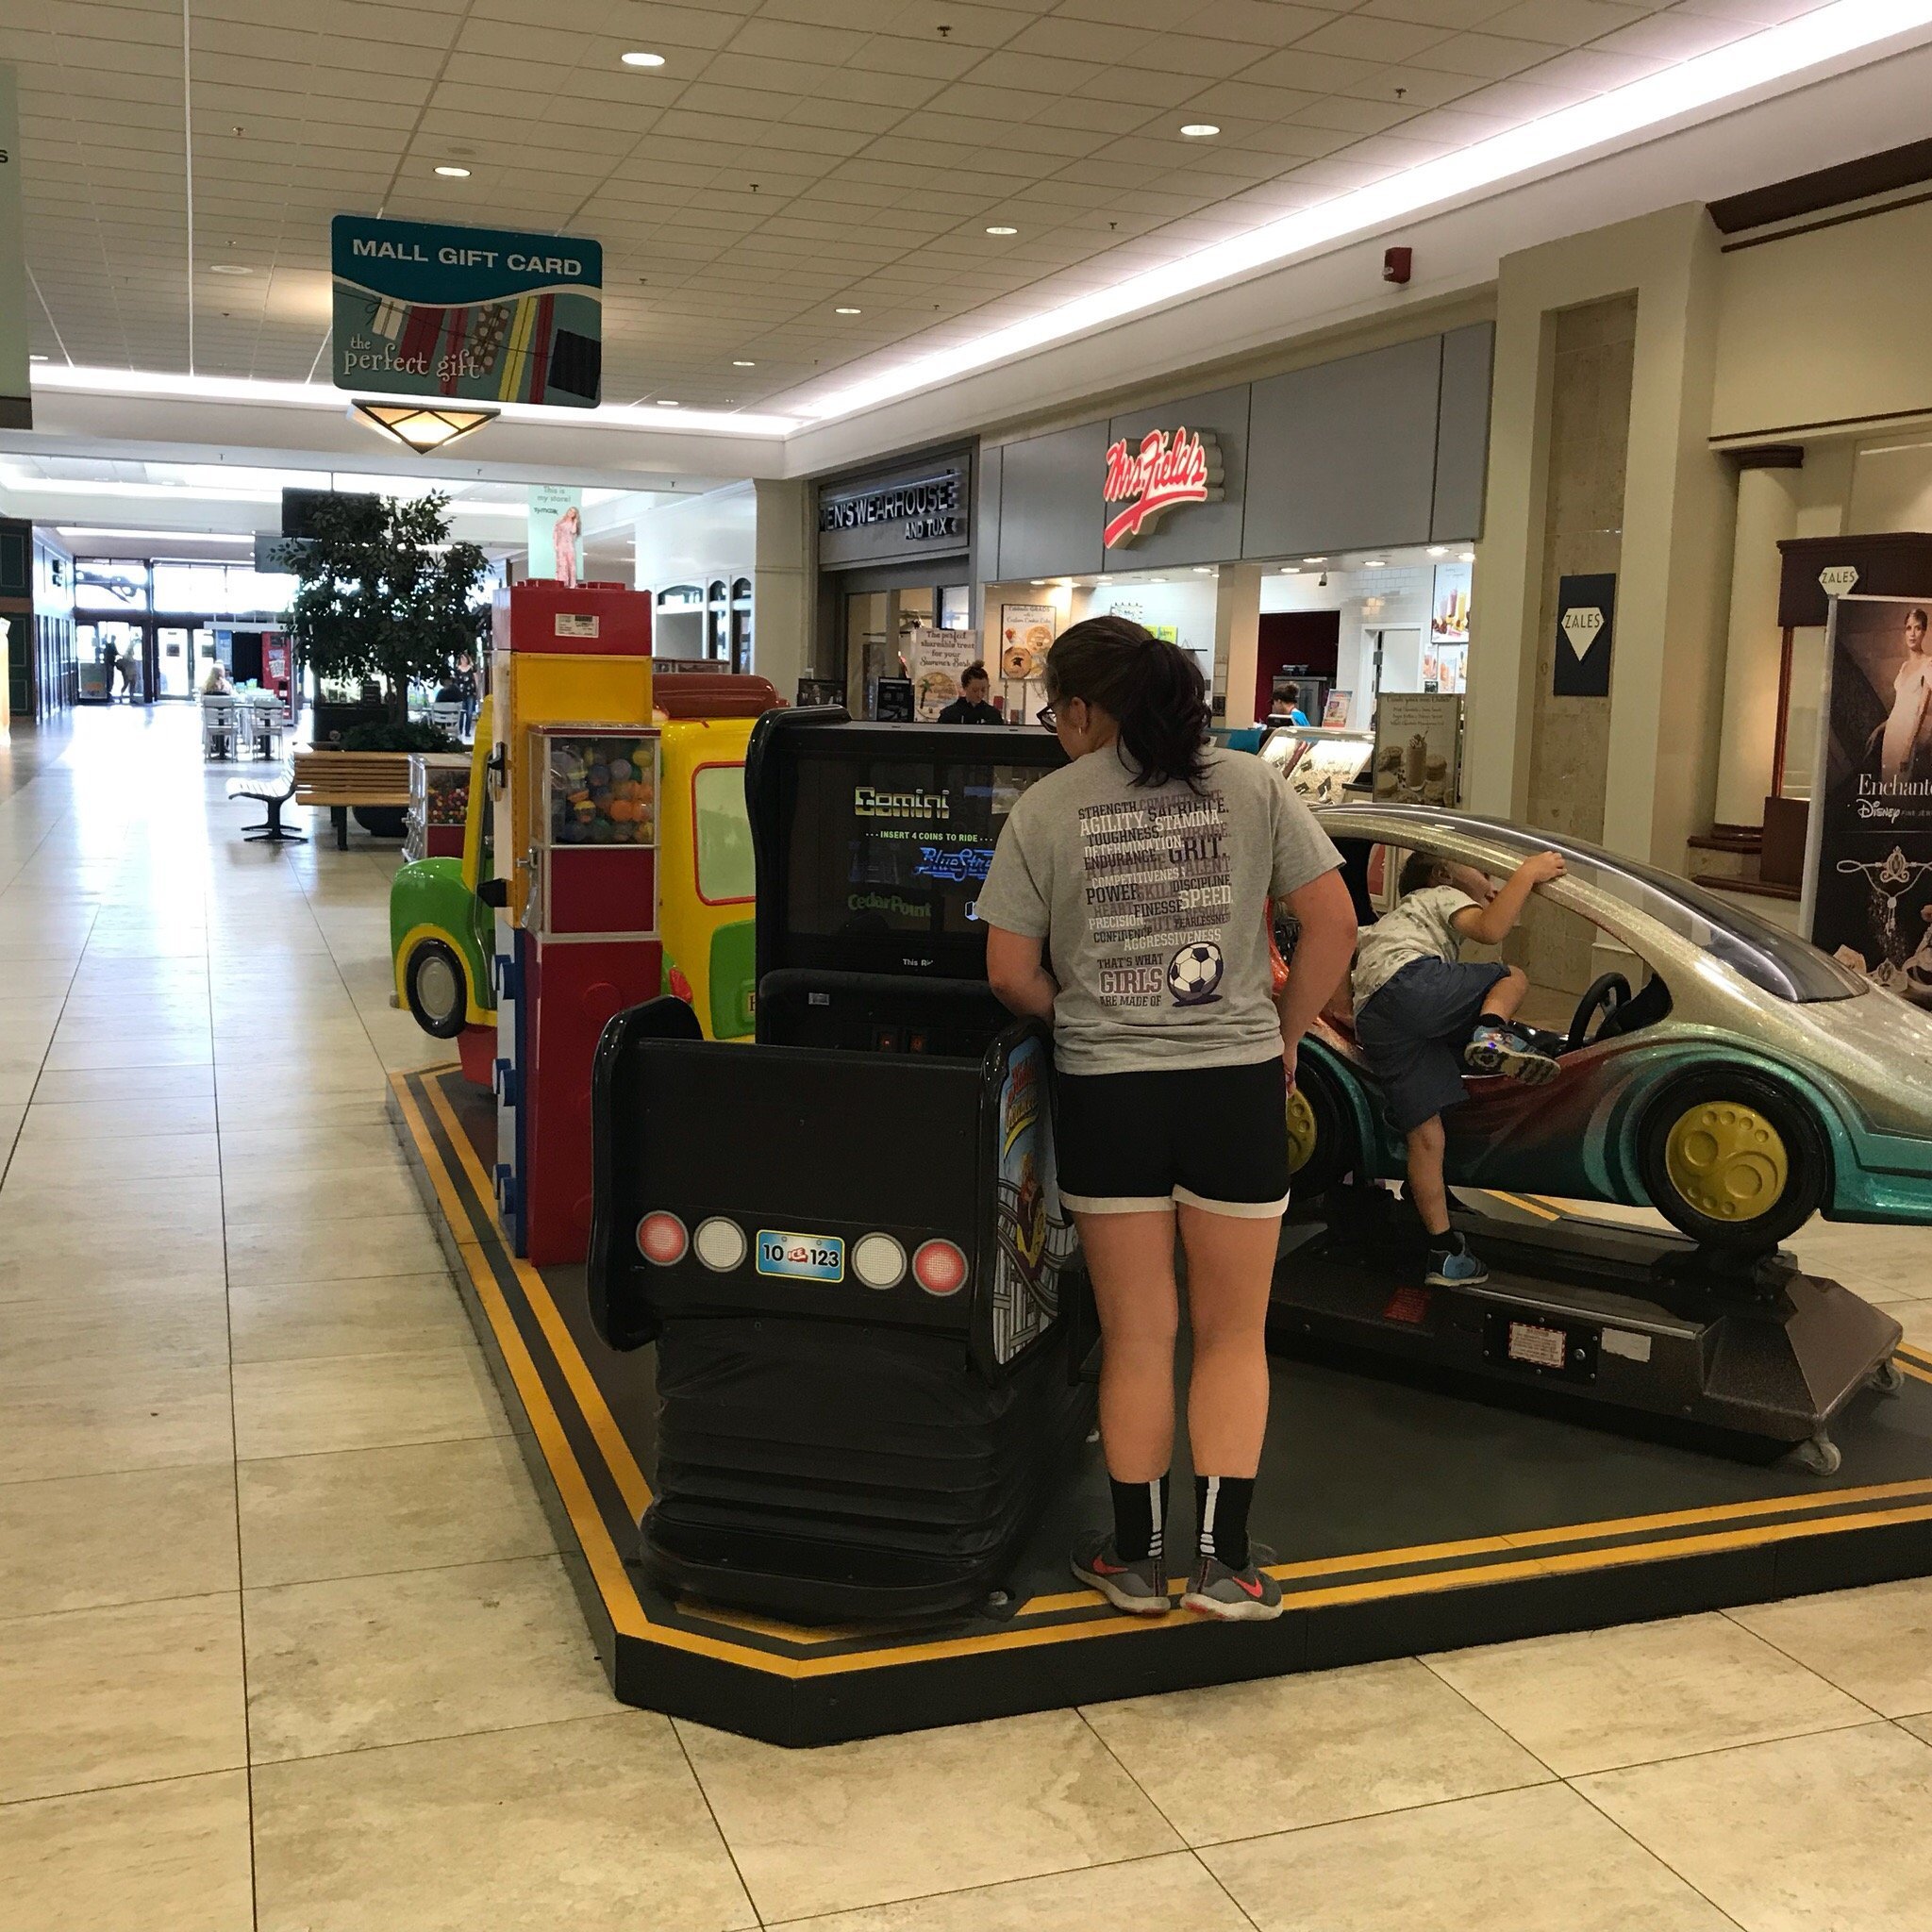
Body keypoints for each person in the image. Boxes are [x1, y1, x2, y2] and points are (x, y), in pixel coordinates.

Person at [976, 613, 1357, 1622]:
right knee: (1234, 1332)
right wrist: (1284, 1035)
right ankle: (1225, 1565)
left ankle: (1136, 1563)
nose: (1054, 725)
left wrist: (1087, 1013)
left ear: (1092, 706)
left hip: (1108, 1091)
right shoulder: (1250, 785)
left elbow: (1009, 971)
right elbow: (1331, 920)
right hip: (1231, 1082)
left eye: (1058, 706)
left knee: (1140, 1333)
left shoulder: (1046, 809)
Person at [1350, 849, 1568, 1289]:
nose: (1489, 886)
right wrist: (1525, 875)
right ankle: (1491, 1032)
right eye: (1484, 873)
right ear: (1442, 873)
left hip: (1376, 1017)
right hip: (1412, 984)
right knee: (1511, 976)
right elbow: (1491, 930)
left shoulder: (1388, 923)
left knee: (1426, 1135)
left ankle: (1443, 1251)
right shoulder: (1439, 894)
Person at [1874, 606, 1932, 784]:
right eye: (1908, 628)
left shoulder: (1929, 664)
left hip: (1907, 736)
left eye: (1918, 628)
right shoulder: (1904, 666)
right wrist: (1881, 728)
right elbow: (1899, 705)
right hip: (1891, 734)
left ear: (1924, 632)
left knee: (1900, 789)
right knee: (1886, 788)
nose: (1912, 634)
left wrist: (1908, 746)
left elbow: (1921, 708)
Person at [938, 663, 1004, 725]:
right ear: (964, 687)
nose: (979, 694)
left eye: (983, 690)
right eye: (975, 690)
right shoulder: (949, 714)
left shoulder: (993, 715)